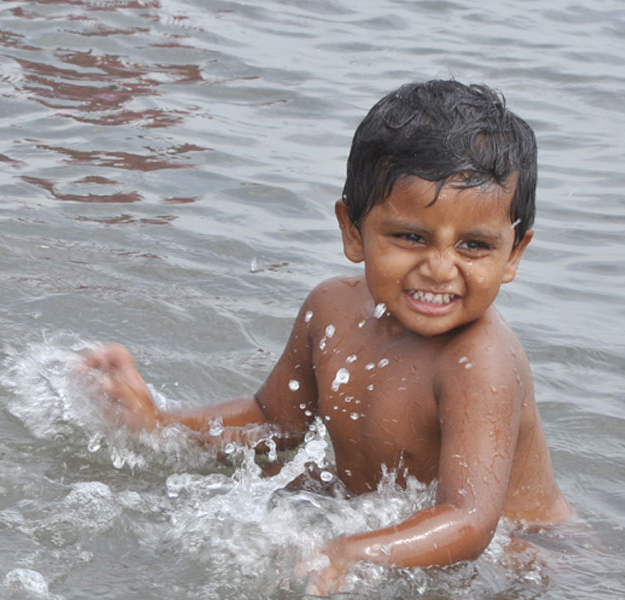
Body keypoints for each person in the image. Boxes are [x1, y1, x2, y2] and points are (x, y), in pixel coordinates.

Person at [83, 80, 572, 595]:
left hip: (525, 555)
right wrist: (161, 423)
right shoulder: (330, 309)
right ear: (353, 232)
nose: (440, 268)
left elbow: (470, 522)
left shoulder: (480, 362)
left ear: (513, 254)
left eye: (474, 246)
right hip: (394, 524)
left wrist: (352, 550)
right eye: (411, 237)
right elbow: (274, 422)